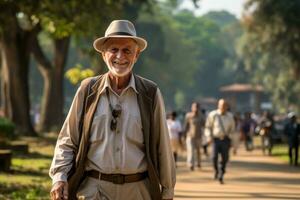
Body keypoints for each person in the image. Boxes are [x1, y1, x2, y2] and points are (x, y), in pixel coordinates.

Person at [49, 20, 175, 200]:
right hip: (94, 189)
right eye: (114, 49)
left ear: (136, 55)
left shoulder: (150, 92)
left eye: (127, 50)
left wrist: (168, 190)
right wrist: (59, 177)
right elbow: (68, 139)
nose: (120, 56)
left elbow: (162, 144)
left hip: (137, 190)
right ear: (103, 54)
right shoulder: (88, 90)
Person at [205, 99, 235, 184]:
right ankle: (216, 171)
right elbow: (208, 127)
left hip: (225, 140)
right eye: (221, 105)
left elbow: (232, 129)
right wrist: (208, 137)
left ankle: (221, 174)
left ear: (227, 106)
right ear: (218, 105)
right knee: (214, 157)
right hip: (215, 139)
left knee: (225, 158)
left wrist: (231, 139)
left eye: (225, 105)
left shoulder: (230, 116)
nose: (223, 107)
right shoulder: (213, 115)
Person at [183, 102, 205, 171]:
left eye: (197, 107)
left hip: (198, 136)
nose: (195, 108)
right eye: (194, 107)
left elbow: (204, 125)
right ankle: (191, 164)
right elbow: (185, 126)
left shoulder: (201, 116)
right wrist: (184, 135)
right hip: (190, 136)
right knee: (191, 151)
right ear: (191, 108)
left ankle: (198, 163)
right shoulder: (188, 116)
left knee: (198, 151)